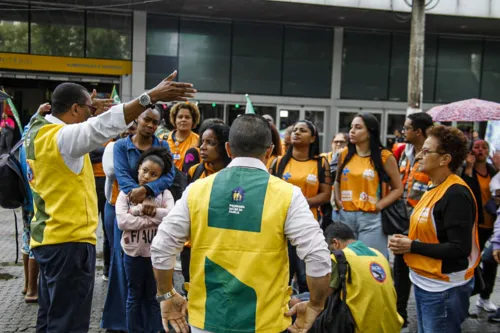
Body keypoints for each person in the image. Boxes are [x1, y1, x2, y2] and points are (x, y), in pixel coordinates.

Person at [24, 71, 195, 332]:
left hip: (46, 241)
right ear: (74, 108)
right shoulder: (63, 139)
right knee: (67, 323)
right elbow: (100, 127)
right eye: (86, 110)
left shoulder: (35, 131)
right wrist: (150, 97)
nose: (89, 116)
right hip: (68, 243)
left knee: (49, 318)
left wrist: (89, 112)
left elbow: (85, 124)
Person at [150, 114, 332, 333]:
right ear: (269, 151)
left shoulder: (198, 190)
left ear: (228, 149)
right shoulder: (288, 195)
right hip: (266, 322)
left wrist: (166, 294)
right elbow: (318, 257)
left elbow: (162, 246)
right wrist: (315, 304)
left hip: (206, 319)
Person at [389, 125, 480, 333]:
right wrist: (404, 240)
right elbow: (432, 232)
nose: (419, 155)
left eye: (426, 151)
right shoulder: (434, 186)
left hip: (444, 288)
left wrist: (412, 246)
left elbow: (459, 249)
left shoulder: (456, 193)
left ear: (444, 159)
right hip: (426, 282)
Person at [103, 105, 176, 331]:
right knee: (123, 265)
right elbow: (123, 177)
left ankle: (153, 324)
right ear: (137, 117)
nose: (151, 126)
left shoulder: (162, 145)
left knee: (152, 267)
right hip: (122, 207)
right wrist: (138, 199)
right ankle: (124, 323)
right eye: (147, 120)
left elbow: (169, 176)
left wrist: (147, 191)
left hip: (154, 207)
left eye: (155, 122)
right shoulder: (121, 146)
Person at [117, 148, 175, 333]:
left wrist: (142, 212)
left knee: (154, 296)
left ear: (161, 177)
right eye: (145, 171)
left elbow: (171, 216)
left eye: (154, 174)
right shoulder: (126, 193)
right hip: (132, 253)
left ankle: (156, 329)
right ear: (138, 168)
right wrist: (144, 210)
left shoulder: (164, 194)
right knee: (133, 295)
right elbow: (122, 222)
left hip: (155, 256)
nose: (147, 176)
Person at [270, 120, 331, 293]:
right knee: (282, 274)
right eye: (295, 130)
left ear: (312, 138)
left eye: (302, 131)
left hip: (307, 225)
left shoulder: (320, 163)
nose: (296, 132)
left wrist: (298, 202)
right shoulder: (278, 163)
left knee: (306, 275)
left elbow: (326, 195)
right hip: (279, 225)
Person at [334, 113, 403, 257]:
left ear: (370, 132)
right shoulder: (345, 153)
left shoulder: (385, 156)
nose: (352, 131)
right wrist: (338, 201)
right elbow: (337, 180)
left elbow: (398, 189)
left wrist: (379, 205)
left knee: (370, 261)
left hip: (371, 218)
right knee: (346, 260)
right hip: (345, 215)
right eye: (351, 127)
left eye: (358, 127)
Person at [318, 222, 403, 332]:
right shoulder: (379, 255)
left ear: (335, 243)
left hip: (362, 327)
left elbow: (321, 298)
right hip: (390, 326)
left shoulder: (340, 257)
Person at [394, 112, 433, 327]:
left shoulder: (435, 154)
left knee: (422, 270)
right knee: (400, 269)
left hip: (427, 224)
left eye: (407, 128)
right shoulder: (405, 152)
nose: (403, 131)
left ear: (418, 131)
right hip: (404, 221)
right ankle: (400, 317)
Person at [181, 123, 231, 288]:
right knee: (192, 291)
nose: (202, 147)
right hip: (192, 246)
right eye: (202, 142)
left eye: (210, 143)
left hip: (221, 247)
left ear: (225, 147)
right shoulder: (194, 171)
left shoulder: (233, 175)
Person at [462, 139, 499, 312]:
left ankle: (485, 297)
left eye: (484, 147)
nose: (480, 150)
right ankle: (468, 294)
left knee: (491, 261)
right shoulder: (465, 170)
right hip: (473, 224)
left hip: (492, 224)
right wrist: (468, 169)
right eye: (477, 147)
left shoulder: (494, 171)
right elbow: (465, 192)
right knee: (472, 262)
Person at [167, 102, 201, 170]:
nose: (183, 120)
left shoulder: (199, 141)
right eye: (180, 117)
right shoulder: (163, 139)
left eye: (187, 117)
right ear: (175, 120)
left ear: (193, 121)